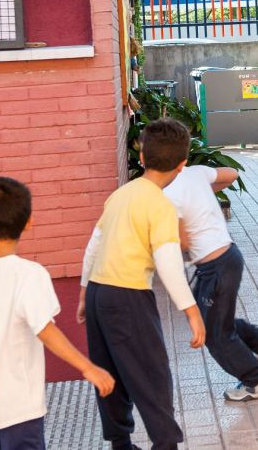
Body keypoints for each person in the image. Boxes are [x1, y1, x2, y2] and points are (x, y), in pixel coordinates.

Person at [0, 177, 115, 450]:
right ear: (29, 222)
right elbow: (45, 329)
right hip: (19, 406)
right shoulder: (30, 275)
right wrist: (87, 367)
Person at [77, 118, 206, 450]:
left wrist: (82, 293)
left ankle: (120, 442)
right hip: (128, 297)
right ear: (182, 165)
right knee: (151, 375)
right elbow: (168, 264)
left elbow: (94, 244)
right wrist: (191, 311)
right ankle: (165, 444)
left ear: (143, 158)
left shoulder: (121, 194)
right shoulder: (160, 206)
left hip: (97, 294)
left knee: (111, 374)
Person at [163, 164, 258, 401]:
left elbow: (184, 241)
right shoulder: (194, 173)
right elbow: (232, 173)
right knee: (216, 319)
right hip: (228, 256)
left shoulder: (168, 194)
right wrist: (203, 193)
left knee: (214, 333)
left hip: (215, 268)